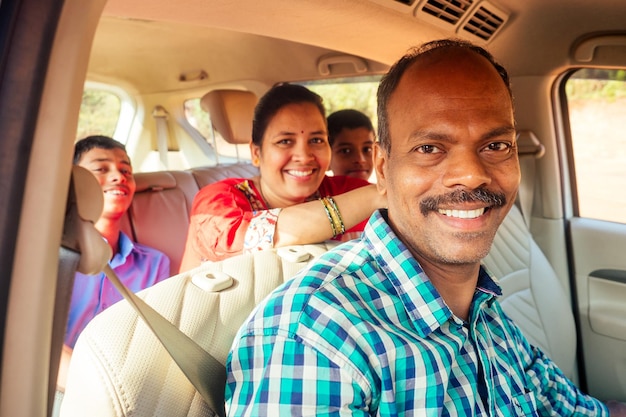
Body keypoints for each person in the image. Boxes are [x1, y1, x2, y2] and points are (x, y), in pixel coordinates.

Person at [224, 40, 626, 416]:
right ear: (383, 169)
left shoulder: (486, 312)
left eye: (495, 146)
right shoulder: (316, 340)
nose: (470, 175)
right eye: (430, 148)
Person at [179, 83, 386, 270]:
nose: (304, 157)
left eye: (316, 140)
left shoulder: (345, 191)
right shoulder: (217, 201)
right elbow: (251, 238)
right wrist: (376, 196)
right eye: (285, 141)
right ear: (256, 153)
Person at [58, 135, 171, 389]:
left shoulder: (154, 264)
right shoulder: (50, 260)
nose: (118, 176)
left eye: (126, 170)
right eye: (100, 168)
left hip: (132, 385)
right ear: (74, 180)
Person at [327, 109, 375, 180]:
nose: (360, 160)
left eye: (367, 149)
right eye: (345, 151)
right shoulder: (319, 190)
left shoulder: (386, 190)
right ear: (327, 155)